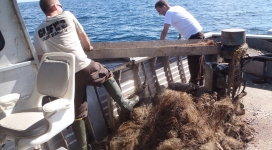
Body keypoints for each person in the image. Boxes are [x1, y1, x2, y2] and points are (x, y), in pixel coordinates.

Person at [33, 0, 139, 149]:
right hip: (84, 67)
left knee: (77, 112)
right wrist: (88, 47)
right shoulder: (67, 16)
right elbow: (84, 39)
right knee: (106, 73)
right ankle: (125, 104)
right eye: (60, 4)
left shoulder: (37, 32)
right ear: (55, 6)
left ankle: (83, 146)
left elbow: (42, 59)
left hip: (66, 78)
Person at [155, 0, 205, 86]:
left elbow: (165, 31)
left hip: (194, 37)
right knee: (199, 60)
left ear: (164, 7)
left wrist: (159, 44)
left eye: (159, 11)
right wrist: (181, 33)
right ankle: (200, 82)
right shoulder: (178, 8)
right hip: (200, 34)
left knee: (193, 62)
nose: (159, 13)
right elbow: (183, 20)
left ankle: (194, 85)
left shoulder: (169, 13)